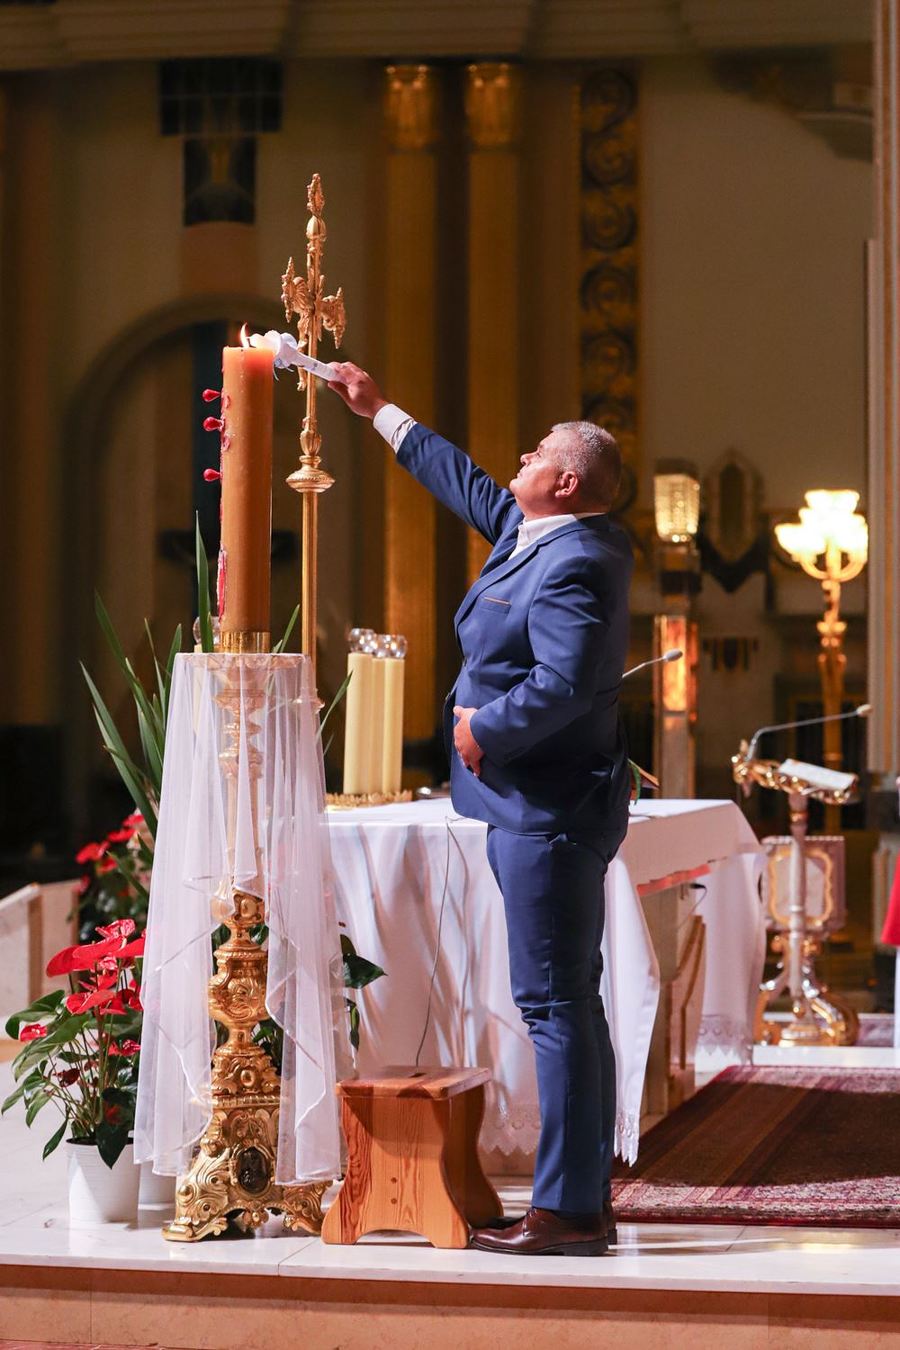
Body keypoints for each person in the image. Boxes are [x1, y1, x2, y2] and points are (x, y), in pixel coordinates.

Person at [330, 362, 633, 1258]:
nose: (520, 459)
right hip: (533, 803)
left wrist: (482, 731)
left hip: (548, 808)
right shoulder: (541, 534)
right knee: (566, 1001)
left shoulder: (575, 561)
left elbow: (565, 683)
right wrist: (379, 409)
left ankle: (569, 1212)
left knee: (556, 1005)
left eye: (536, 454)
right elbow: (463, 480)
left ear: (566, 482)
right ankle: (578, 1200)